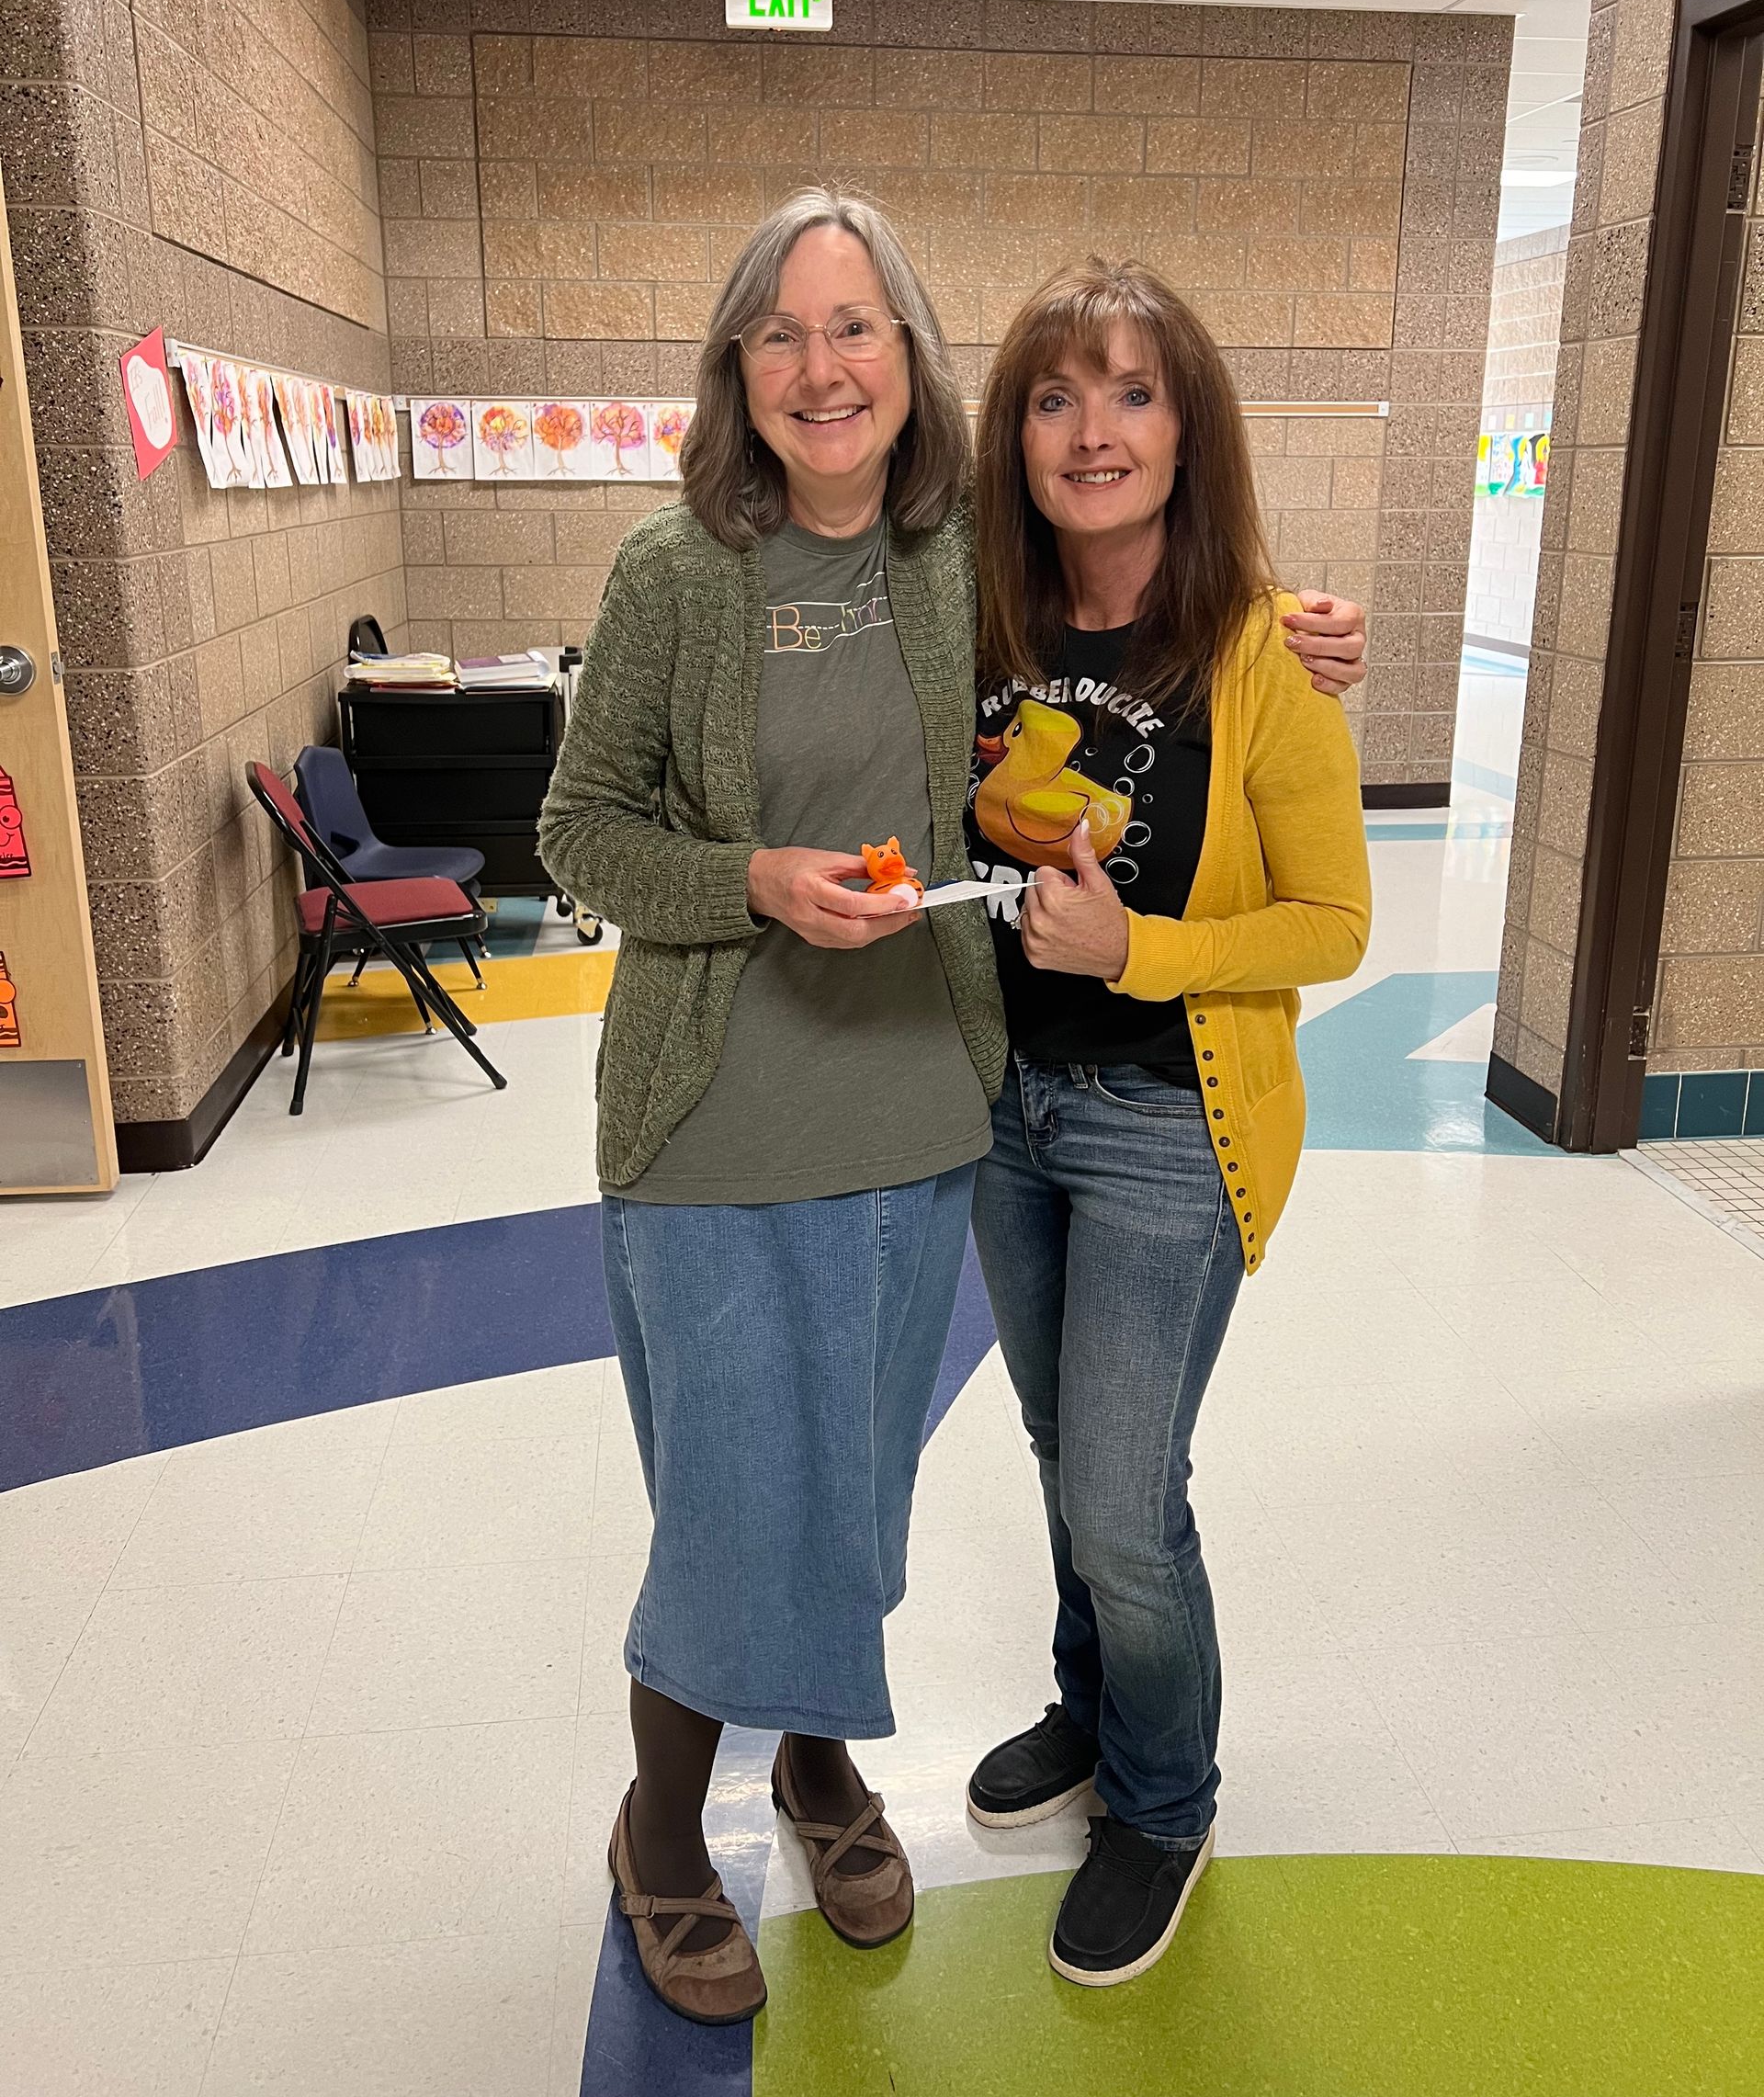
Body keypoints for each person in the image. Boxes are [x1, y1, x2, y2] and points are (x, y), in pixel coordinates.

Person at [537, 191, 1367, 2025]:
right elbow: (582, 830)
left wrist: (1294, 655)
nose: (822, 367)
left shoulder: (1096, 607)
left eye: (857, 330)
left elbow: (1294, 850)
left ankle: (999, 1782)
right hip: (829, 1116)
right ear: (736, 366)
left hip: (1024, 1114)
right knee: (807, 1486)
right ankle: (701, 1814)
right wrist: (749, 878)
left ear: (912, 362)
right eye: (782, 331)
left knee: (986, 1492)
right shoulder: (789, 577)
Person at [962, 259, 1373, 1989]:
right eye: (1057, 396)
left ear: (1188, 426)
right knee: (1069, 1460)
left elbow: (1334, 923)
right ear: (1018, 435)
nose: (1093, 430)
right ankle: (1090, 1701)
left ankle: (1164, 1795)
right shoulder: (976, 618)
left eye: (1132, 391)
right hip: (999, 1113)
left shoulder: (1260, 651)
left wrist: (1145, 951)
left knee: (1127, 1494)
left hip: (1159, 1127)